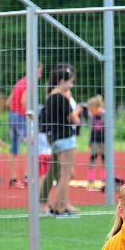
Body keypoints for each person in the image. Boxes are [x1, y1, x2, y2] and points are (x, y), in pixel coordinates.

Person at [38, 64, 82, 218]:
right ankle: (60, 207)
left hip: (56, 138)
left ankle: (61, 205)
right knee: (65, 174)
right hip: (65, 138)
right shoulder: (61, 98)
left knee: (63, 173)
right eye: (70, 81)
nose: (71, 85)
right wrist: (78, 110)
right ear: (62, 81)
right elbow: (73, 119)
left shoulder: (50, 96)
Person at [7, 62, 40, 188]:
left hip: (12, 115)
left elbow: (9, 101)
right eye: (39, 72)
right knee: (31, 142)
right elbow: (24, 101)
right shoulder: (29, 83)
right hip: (21, 116)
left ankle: (14, 178)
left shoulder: (19, 82)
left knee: (15, 148)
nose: (40, 75)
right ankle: (27, 176)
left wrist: (14, 112)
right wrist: (31, 115)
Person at [86, 95, 106, 189]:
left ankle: (104, 179)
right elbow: (92, 129)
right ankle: (90, 179)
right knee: (92, 160)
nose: (89, 110)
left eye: (90, 108)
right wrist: (90, 141)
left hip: (104, 142)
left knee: (104, 160)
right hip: (94, 141)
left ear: (95, 107)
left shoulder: (104, 114)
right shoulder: (92, 116)